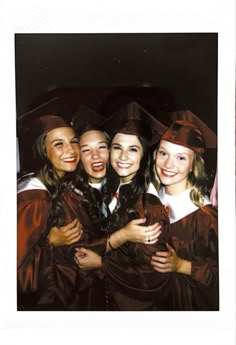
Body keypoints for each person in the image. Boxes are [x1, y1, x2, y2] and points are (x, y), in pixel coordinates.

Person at [48, 106, 163, 310]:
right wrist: (122, 236)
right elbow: (78, 257)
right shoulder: (71, 197)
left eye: (102, 147)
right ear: (78, 156)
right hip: (86, 300)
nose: (95, 156)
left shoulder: (139, 200)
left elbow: (152, 273)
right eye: (86, 150)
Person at [75, 101, 175, 311]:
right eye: (117, 147)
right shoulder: (110, 189)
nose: (122, 157)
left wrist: (102, 265)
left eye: (133, 149)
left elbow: (154, 278)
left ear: (144, 155)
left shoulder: (148, 207)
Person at [150, 120, 219, 311]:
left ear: (193, 165)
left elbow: (223, 275)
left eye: (181, 158)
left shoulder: (206, 217)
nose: (168, 164)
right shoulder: (149, 201)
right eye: (163, 153)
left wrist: (181, 265)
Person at [17, 113, 82, 310]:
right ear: (43, 151)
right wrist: (49, 242)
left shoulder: (59, 185)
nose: (71, 150)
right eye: (58, 144)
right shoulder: (35, 199)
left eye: (74, 141)